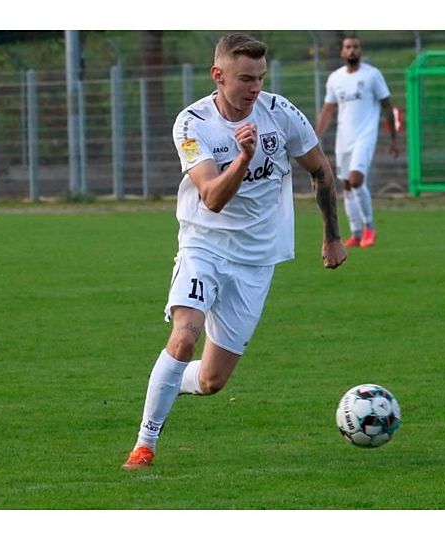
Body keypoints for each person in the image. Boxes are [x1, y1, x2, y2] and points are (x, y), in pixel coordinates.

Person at [122, 33, 347, 470]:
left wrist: (332, 235)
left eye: (261, 78)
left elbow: (321, 172)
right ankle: (144, 444)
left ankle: (167, 381)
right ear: (218, 75)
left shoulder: (281, 114)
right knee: (185, 335)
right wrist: (243, 159)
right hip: (203, 243)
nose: (255, 88)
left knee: (211, 381)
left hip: (256, 259)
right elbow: (210, 197)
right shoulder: (192, 123)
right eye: (245, 78)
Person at [315, 36, 399, 248]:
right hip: (344, 138)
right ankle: (356, 233)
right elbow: (328, 110)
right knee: (345, 186)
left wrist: (393, 138)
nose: (351, 50)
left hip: (365, 136)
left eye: (355, 47)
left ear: (360, 50)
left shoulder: (372, 75)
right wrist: (315, 136)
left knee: (356, 181)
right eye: (347, 47)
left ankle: (370, 227)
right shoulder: (335, 78)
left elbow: (387, 106)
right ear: (342, 52)